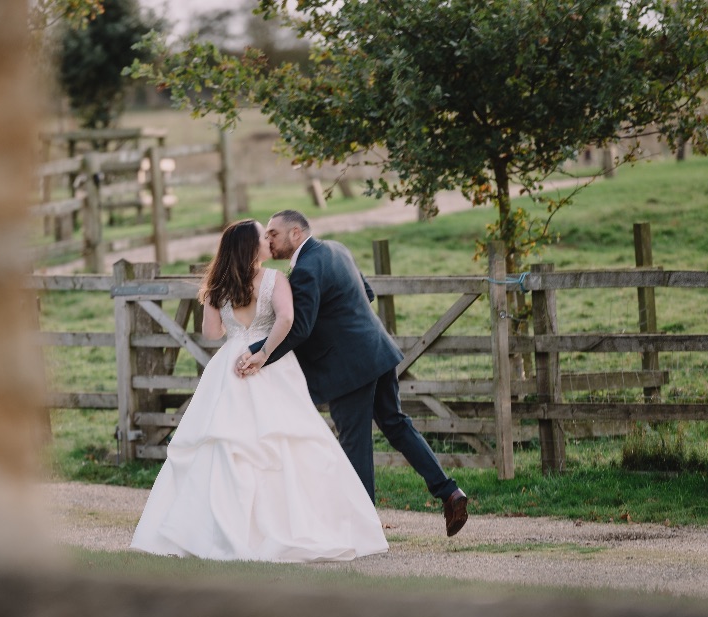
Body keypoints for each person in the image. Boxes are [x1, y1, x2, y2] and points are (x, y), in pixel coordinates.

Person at [130, 219, 388, 562]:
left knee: (227, 444)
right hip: (271, 361)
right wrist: (264, 351)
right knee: (284, 441)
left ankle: (218, 530)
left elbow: (211, 333)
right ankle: (291, 525)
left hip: (232, 363)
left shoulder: (218, 285)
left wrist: (220, 308)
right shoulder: (275, 279)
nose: (269, 240)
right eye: (263, 237)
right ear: (252, 247)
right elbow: (287, 319)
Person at [237, 210, 469, 536]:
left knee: (354, 442)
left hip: (349, 368)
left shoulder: (306, 269)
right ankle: (450, 492)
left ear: (295, 233)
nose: (269, 239)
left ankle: (364, 528)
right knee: (396, 425)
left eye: (273, 233)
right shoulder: (337, 249)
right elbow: (367, 294)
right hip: (377, 350)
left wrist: (259, 353)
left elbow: (299, 328)